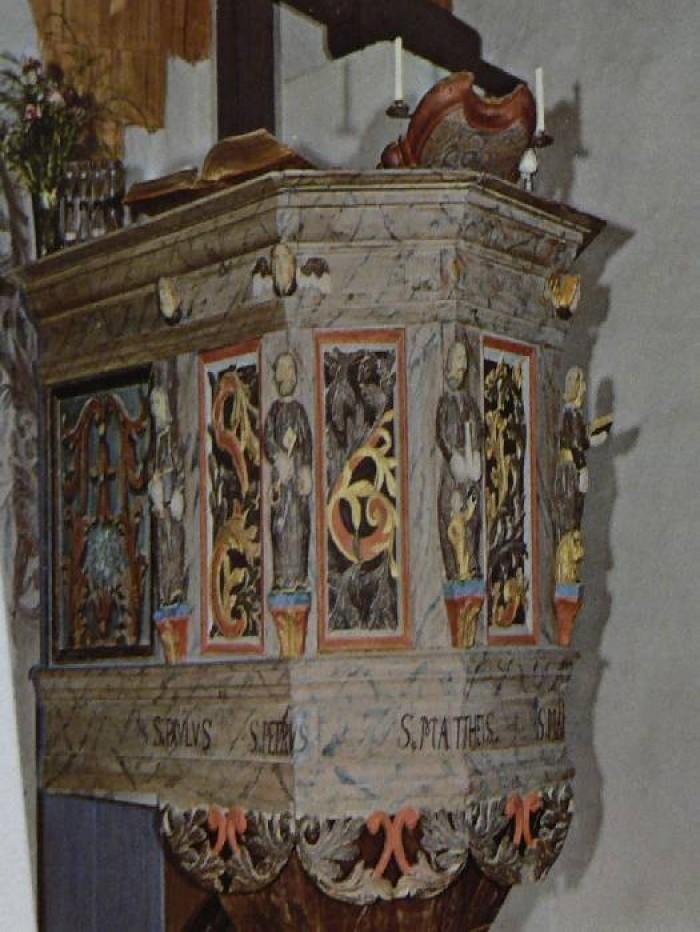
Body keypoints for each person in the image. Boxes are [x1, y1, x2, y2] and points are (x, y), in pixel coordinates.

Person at [263, 353, 312, 590]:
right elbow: (267, 440)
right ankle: (282, 576)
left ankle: (299, 576)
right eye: (282, 370)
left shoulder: (299, 411)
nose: (286, 375)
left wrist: (304, 468)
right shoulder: (274, 411)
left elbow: (307, 442)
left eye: (289, 369)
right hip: (281, 481)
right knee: (280, 527)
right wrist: (278, 457)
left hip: (296, 481)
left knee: (299, 526)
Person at [436, 341, 483, 581]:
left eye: (464, 359)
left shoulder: (471, 403)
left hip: (469, 466)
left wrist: (475, 453)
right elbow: (441, 434)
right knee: (451, 513)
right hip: (453, 468)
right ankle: (455, 570)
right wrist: (452, 455)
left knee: (473, 517)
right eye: (458, 359)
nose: (462, 365)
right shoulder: (445, 402)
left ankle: (471, 563)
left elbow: (478, 430)